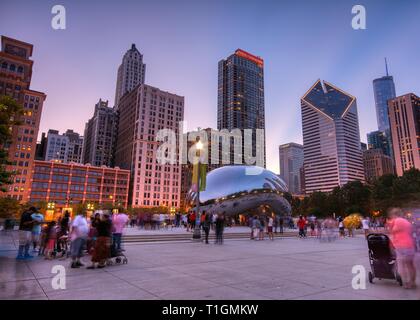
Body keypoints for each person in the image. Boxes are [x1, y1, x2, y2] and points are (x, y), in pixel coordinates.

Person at [387, 208, 417, 289]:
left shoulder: (396, 221)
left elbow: (391, 231)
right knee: (410, 265)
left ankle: (406, 283)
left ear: (394, 214)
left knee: (401, 266)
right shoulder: (407, 222)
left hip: (401, 246)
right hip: (410, 245)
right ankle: (413, 282)